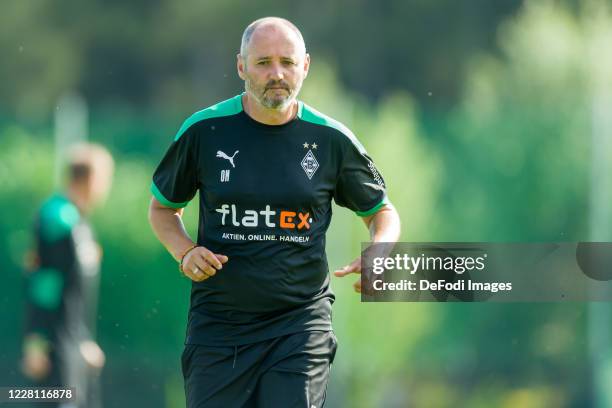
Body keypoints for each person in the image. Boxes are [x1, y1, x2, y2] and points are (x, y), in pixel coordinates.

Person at [148, 16, 401, 408]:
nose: (276, 73)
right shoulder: (204, 130)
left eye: (287, 61)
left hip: (298, 327)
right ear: (241, 67)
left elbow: (381, 212)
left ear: (306, 66)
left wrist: (380, 250)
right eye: (263, 62)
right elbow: (163, 210)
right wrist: (185, 251)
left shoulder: (331, 139)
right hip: (219, 329)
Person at [22, 143, 114, 408]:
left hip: (73, 343)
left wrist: (83, 339)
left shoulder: (79, 221)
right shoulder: (57, 219)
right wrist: (36, 340)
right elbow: (43, 280)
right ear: (91, 179)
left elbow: (75, 291)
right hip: (54, 344)